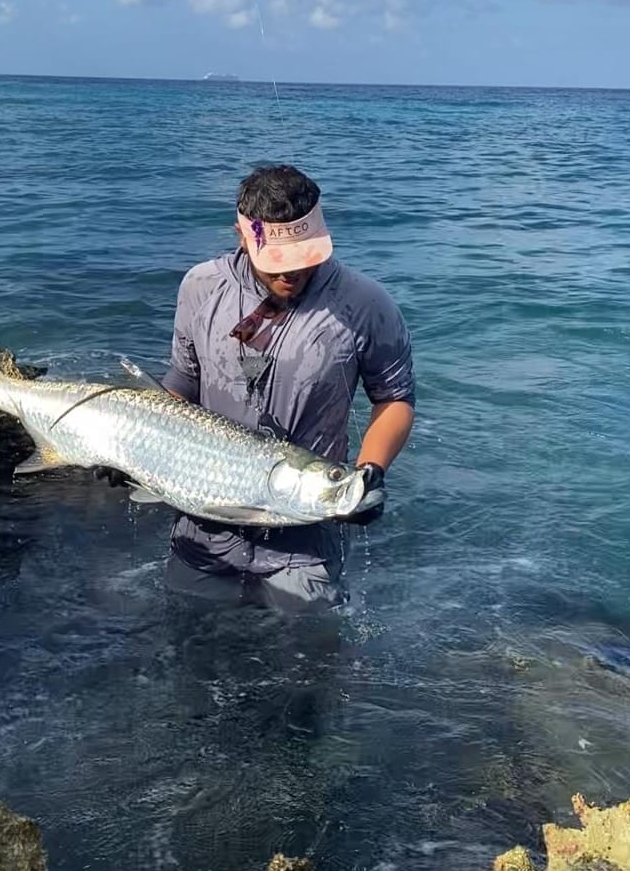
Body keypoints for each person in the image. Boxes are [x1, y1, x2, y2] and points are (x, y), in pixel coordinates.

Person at [100, 164, 415, 612]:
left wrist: (370, 471)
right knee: (191, 653)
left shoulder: (366, 305)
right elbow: (181, 386)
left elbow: (395, 399)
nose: (291, 274)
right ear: (241, 235)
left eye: (304, 257)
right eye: (277, 263)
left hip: (306, 540)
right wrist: (128, 450)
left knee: (307, 666)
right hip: (201, 529)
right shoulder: (200, 287)